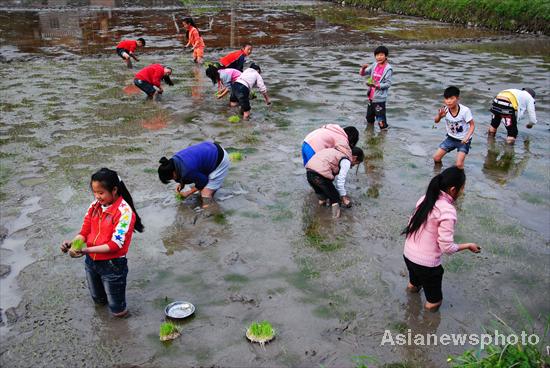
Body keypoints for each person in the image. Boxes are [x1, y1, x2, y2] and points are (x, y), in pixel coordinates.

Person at [60, 168, 144, 318]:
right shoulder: (94, 207)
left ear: (114, 190)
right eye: (95, 192)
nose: (97, 197)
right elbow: (84, 232)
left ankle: (122, 332)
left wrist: (85, 251)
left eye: (101, 192)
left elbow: (115, 245)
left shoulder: (125, 212)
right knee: (98, 301)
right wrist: (72, 244)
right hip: (91, 263)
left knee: (117, 310)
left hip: (113, 265)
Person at [402, 166, 480, 312]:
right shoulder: (448, 210)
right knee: (434, 302)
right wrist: (468, 245)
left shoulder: (425, 198)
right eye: (462, 189)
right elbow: (447, 248)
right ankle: (423, 329)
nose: (462, 192)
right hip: (426, 264)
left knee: (414, 284)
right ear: (452, 189)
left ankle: (410, 309)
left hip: (408, 254)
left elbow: (411, 223)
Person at [158, 141, 230, 208]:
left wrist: (188, 192)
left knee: (205, 195)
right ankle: (213, 188)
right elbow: (184, 171)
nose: (173, 179)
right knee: (200, 187)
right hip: (212, 147)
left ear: (173, 172)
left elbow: (203, 181)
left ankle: (210, 216)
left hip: (220, 160)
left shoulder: (187, 170)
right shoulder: (174, 159)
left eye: (171, 177)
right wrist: (182, 183)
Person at [305, 146, 364, 218]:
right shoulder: (346, 161)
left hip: (309, 173)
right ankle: (335, 221)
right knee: (335, 199)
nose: (353, 166)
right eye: (355, 163)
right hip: (320, 176)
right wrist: (343, 196)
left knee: (322, 198)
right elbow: (340, 181)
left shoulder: (336, 150)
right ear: (354, 157)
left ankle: (319, 216)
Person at [433, 86, 475, 169]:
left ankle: (460, 180)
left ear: (457, 98)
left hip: (463, 140)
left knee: (459, 164)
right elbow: (436, 121)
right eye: (446, 99)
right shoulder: (445, 109)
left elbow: (472, 125)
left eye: (451, 98)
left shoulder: (465, 111)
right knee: (436, 158)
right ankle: (438, 172)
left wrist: (466, 138)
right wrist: (439, 116)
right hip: (451, 138)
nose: (448, 101)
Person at [359, 45, 393, 130]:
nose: (379, 57)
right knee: (369, 118)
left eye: (381, 55)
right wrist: (363, 68)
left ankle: (383, 135)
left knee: (380, 120)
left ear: (386, 56)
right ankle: (370, 132)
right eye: (377, 55)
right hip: (371, 97)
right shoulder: (375, 65)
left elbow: (388, 84)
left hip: (380, 99)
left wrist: (376, 85)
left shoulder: (388, 69)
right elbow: (363, 73)